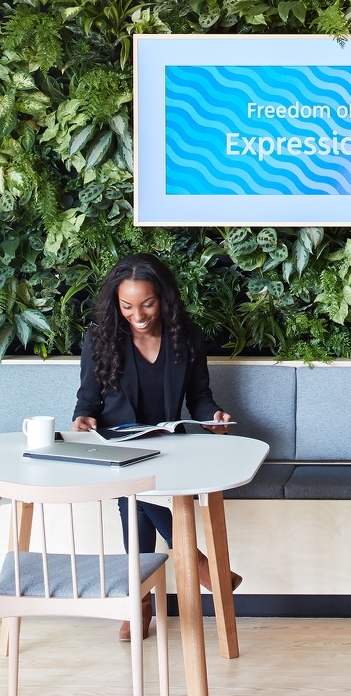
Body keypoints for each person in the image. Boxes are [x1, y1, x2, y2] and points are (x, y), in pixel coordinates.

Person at [73, 253, 240, 640]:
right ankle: (199, 564)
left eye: (147, 304)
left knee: (133, 499)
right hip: (120, 447)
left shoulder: (187, 337)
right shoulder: (101, 338)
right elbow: (87, 401)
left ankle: (140, 603)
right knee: (133, 491)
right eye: (127, 306)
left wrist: (213, 417)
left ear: (163, 297)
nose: (138, 315)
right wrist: (83, 419)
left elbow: (200, 398)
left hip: (169, 447)